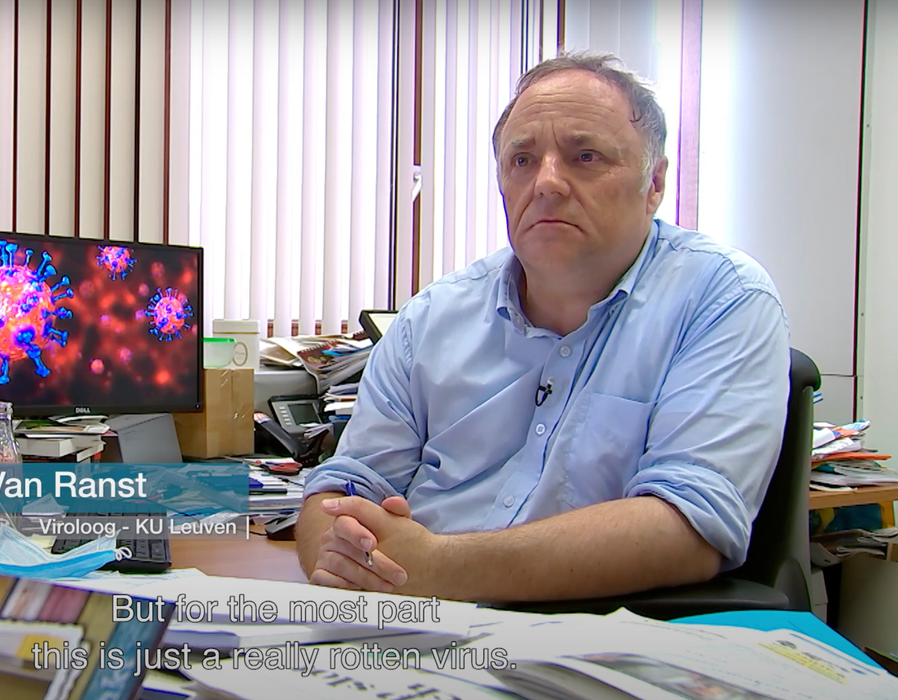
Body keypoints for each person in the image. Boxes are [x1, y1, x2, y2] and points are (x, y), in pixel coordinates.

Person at [297, 51, 790, 603]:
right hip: (408, 621)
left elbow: (690, 526)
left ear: (654, 182)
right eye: (523, 160)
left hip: (594, 633)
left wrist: (439, 567)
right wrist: (340, 558)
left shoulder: (721, 297)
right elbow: (342, 487)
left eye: (585, 156)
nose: (547, 183)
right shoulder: (431, 318)